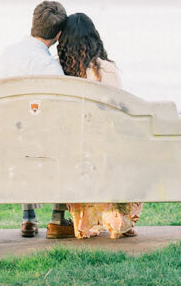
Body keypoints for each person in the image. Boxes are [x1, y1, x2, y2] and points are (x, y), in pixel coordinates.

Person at [57, 12, 143, 240]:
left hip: (72, 152)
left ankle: (86, 223)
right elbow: (119, 113)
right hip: (105, 150)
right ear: (95, 39)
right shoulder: (105, 69)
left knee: (83, 153)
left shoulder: (58, 71)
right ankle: (117, 218)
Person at [0, 0, 74, 239]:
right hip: (35, 144)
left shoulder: (7, 54)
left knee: (26, 134)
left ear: (33, 25)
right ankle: (57, 218)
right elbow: (63, 107)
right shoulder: (46, 64)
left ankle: (28, 217)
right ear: (58, 35)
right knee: (67, 138)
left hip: (7, 139)